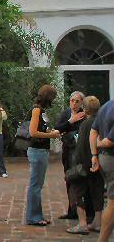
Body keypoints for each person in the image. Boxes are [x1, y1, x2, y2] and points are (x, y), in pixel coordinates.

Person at [66, 96, 103, 235]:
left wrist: (77, 164)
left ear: (85, 109)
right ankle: (97, 222)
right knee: (97, 191)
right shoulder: (102, 122)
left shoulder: (86, 124)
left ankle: (82, 224)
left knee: (76, 191)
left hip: (86, 163)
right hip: (99, 163)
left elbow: (80, 147)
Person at [25, 84, 61, 226]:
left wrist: (52, 132)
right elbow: (33, 132)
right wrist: (51, 135)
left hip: (41, 151)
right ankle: (33, 217)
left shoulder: (42, 110)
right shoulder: (36, 110)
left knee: (37, 185)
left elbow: (41, 129)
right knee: (35, 185)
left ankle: (36, 215)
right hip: (37, 151)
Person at [55, 91, 86, 220]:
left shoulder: (85, 115)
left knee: (80, 180)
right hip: (68, 151)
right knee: (69, 177)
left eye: (77, 101)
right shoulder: (66, 113)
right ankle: (72, 210)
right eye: (71, 100)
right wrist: (70, 121)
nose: (73, 103)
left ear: (81, 103)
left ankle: (84, 212)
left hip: (80, 152)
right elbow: (58, 128)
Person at [90, 99, 114, 242]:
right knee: (112, 203)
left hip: (104, 158)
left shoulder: (107, 105)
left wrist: (94, 154)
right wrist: (99, 144)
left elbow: (93, 131)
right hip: (111, 158)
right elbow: (110, 141)